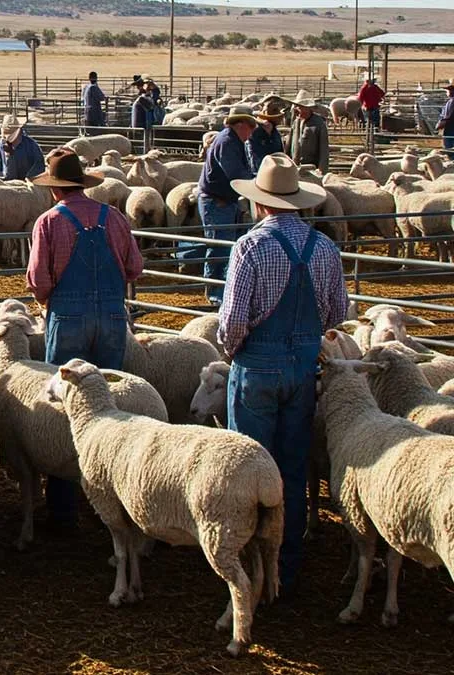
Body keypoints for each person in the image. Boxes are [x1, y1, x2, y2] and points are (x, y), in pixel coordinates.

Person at [219, 152, 348, 596]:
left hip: (257, 366)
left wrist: (236, 353)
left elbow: (233, 319)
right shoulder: (325, 247)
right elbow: (338, 312)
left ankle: (251, 569)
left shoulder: (250, 246)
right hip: (303, 369)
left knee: (248, 469)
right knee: (291, 468)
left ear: (260, 203)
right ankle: (286, 565)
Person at [26, 148, 144, 529]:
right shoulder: (115, 218)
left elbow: (38, 282)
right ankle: (108, 504)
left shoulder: (48, 221)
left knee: (66, 407)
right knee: (108, 406)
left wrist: (53, 302)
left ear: (54, 189)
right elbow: (134, 268)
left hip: (69, 319)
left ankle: (63, 508)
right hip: (112, 318)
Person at [197, 105, 257, 305]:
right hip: (217, 201)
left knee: (228, 244)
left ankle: (223, 288)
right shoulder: (228, 142)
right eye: (250, 127)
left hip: (225, 199)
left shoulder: (233, 141)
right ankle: (214, 292)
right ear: (240, 125)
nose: (251, 132)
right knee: (219, 245)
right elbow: (235, 173)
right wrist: (257, 180)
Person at [0, 114, 44, 181]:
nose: (7, 137)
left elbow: (39, 164)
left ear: (18, 132)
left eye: (10, 134)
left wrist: (29, 177)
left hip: (25, 182)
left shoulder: (30, 145)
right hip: (5, 181)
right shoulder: (2, 144)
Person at [288, 92, 330, 172]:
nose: (297, 109)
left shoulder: (319, 123)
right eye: (297, 106)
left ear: (308, 108)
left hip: (311, 169)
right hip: (294, 167)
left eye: (300, 107)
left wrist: (321, 169)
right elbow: (289, 144)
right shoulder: (296, 122)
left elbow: (324, 149)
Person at [437, 79, 454, 159]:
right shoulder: (451, 101)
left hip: (451, 130)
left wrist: (439, 126)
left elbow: (447, 117)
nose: (447, 91)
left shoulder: (452, 102)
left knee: (450, 151)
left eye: (448, 89)